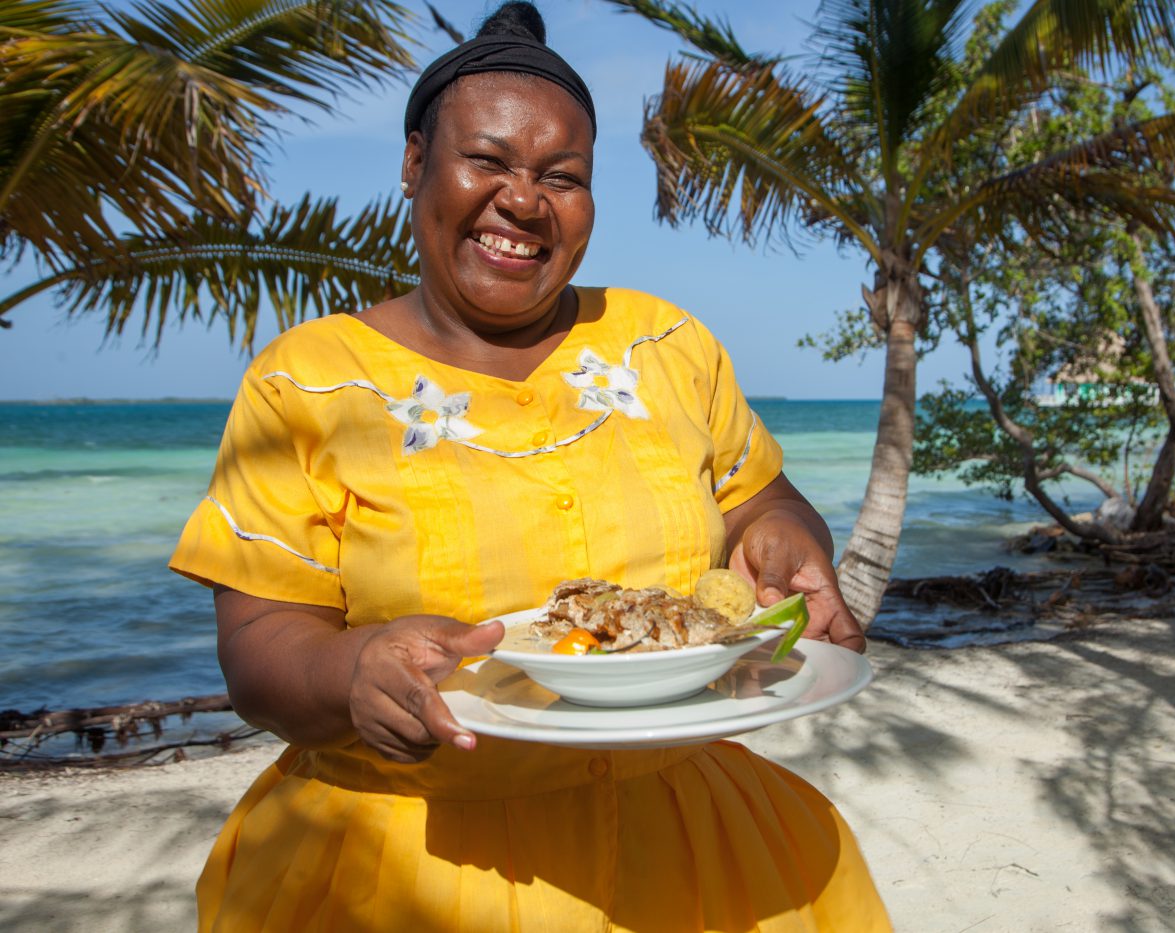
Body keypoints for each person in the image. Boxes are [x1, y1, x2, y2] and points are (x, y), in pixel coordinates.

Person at [170, 3, 891, 930]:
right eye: (489, 161)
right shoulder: (307, 381)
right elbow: (260, 643)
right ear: (411, 160)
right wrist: (351, 670)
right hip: (404, 869)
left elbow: (759, 496)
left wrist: (787, 537)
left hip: (688, 840)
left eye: (563, 176)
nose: (524, 200)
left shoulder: (665, 343)